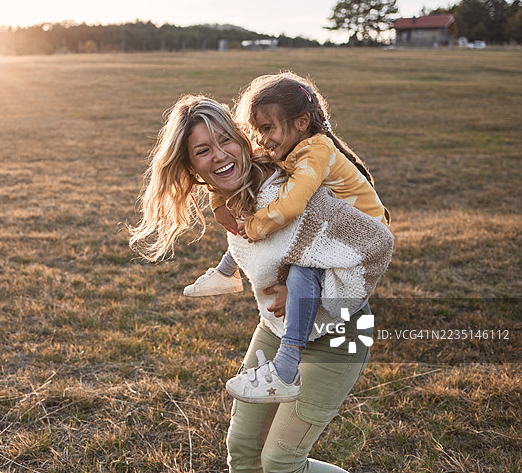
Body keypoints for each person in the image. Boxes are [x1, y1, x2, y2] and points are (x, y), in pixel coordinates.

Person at [129, 94, 393, 472]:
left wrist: (317, 294)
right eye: (203, 150)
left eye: (226, 141)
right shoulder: (229, 196)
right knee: (243, 451)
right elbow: (257, 251)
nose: (220, 155)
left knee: (280, 462)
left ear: (240, 139)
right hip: (276, 329)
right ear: (189, 166)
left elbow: (373, 246)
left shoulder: (292, 188)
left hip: (340, 336)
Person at [187, 72, 391, 404]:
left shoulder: (315, 151)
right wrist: (218, 202)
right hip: (329, 228)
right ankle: (226, 272)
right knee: (264, 209)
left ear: (300, 122)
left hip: (353, 236)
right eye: (256, 130)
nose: (261, 139)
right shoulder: (293, 146)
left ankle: (285, 367)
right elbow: (248, 168)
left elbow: (293, 205)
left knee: (301, 268)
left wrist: (252, 228)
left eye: (267, 129)